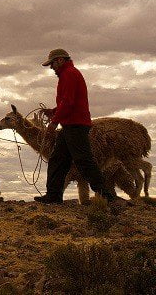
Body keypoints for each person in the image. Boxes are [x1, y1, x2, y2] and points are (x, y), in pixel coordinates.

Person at [34, 48, 116, 204]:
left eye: (52, 64)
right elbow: (68, 101)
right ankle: (53, 196)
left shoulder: (69, 75)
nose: (51, 68)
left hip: (75, 125)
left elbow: (68, 102)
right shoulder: (70, 74)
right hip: (71, 125)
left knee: (84, 161)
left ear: (60, 60)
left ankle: (106, 196)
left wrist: (54, 121)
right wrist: (54, 111)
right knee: (57, 160)